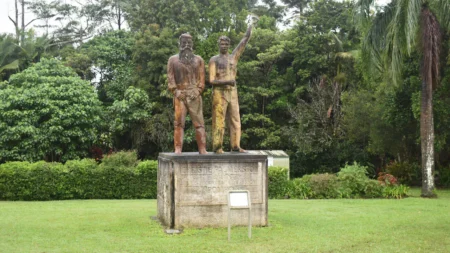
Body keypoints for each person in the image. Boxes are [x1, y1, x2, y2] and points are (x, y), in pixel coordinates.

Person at [209, 25, 253, 154]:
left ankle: (236, 145)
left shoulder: (233, 57)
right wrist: (227, 81)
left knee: (235, 119)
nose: (224, 46)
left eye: (226, 44)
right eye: (222, 44)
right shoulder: (214, 60)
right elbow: (211, 80)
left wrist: (249, 29)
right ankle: (217, 147)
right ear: (219, 45)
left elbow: (243, 42)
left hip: (232, 92)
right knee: (219, 120)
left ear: (229, 45)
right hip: (219, 92)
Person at [167, 33, 207, 154]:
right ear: (179, 44)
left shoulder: (199, 60)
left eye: (189, 43)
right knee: (179, 123)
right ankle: (178, 148)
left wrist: (199, 90)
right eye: (184, 43)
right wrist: (176, 91)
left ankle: (202, 148)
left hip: (195, 95)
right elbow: (170, 79)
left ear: (192, 44)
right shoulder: (172, 60)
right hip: (180, 95)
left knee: (199, 123)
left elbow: (202, 79)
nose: (186, 46)